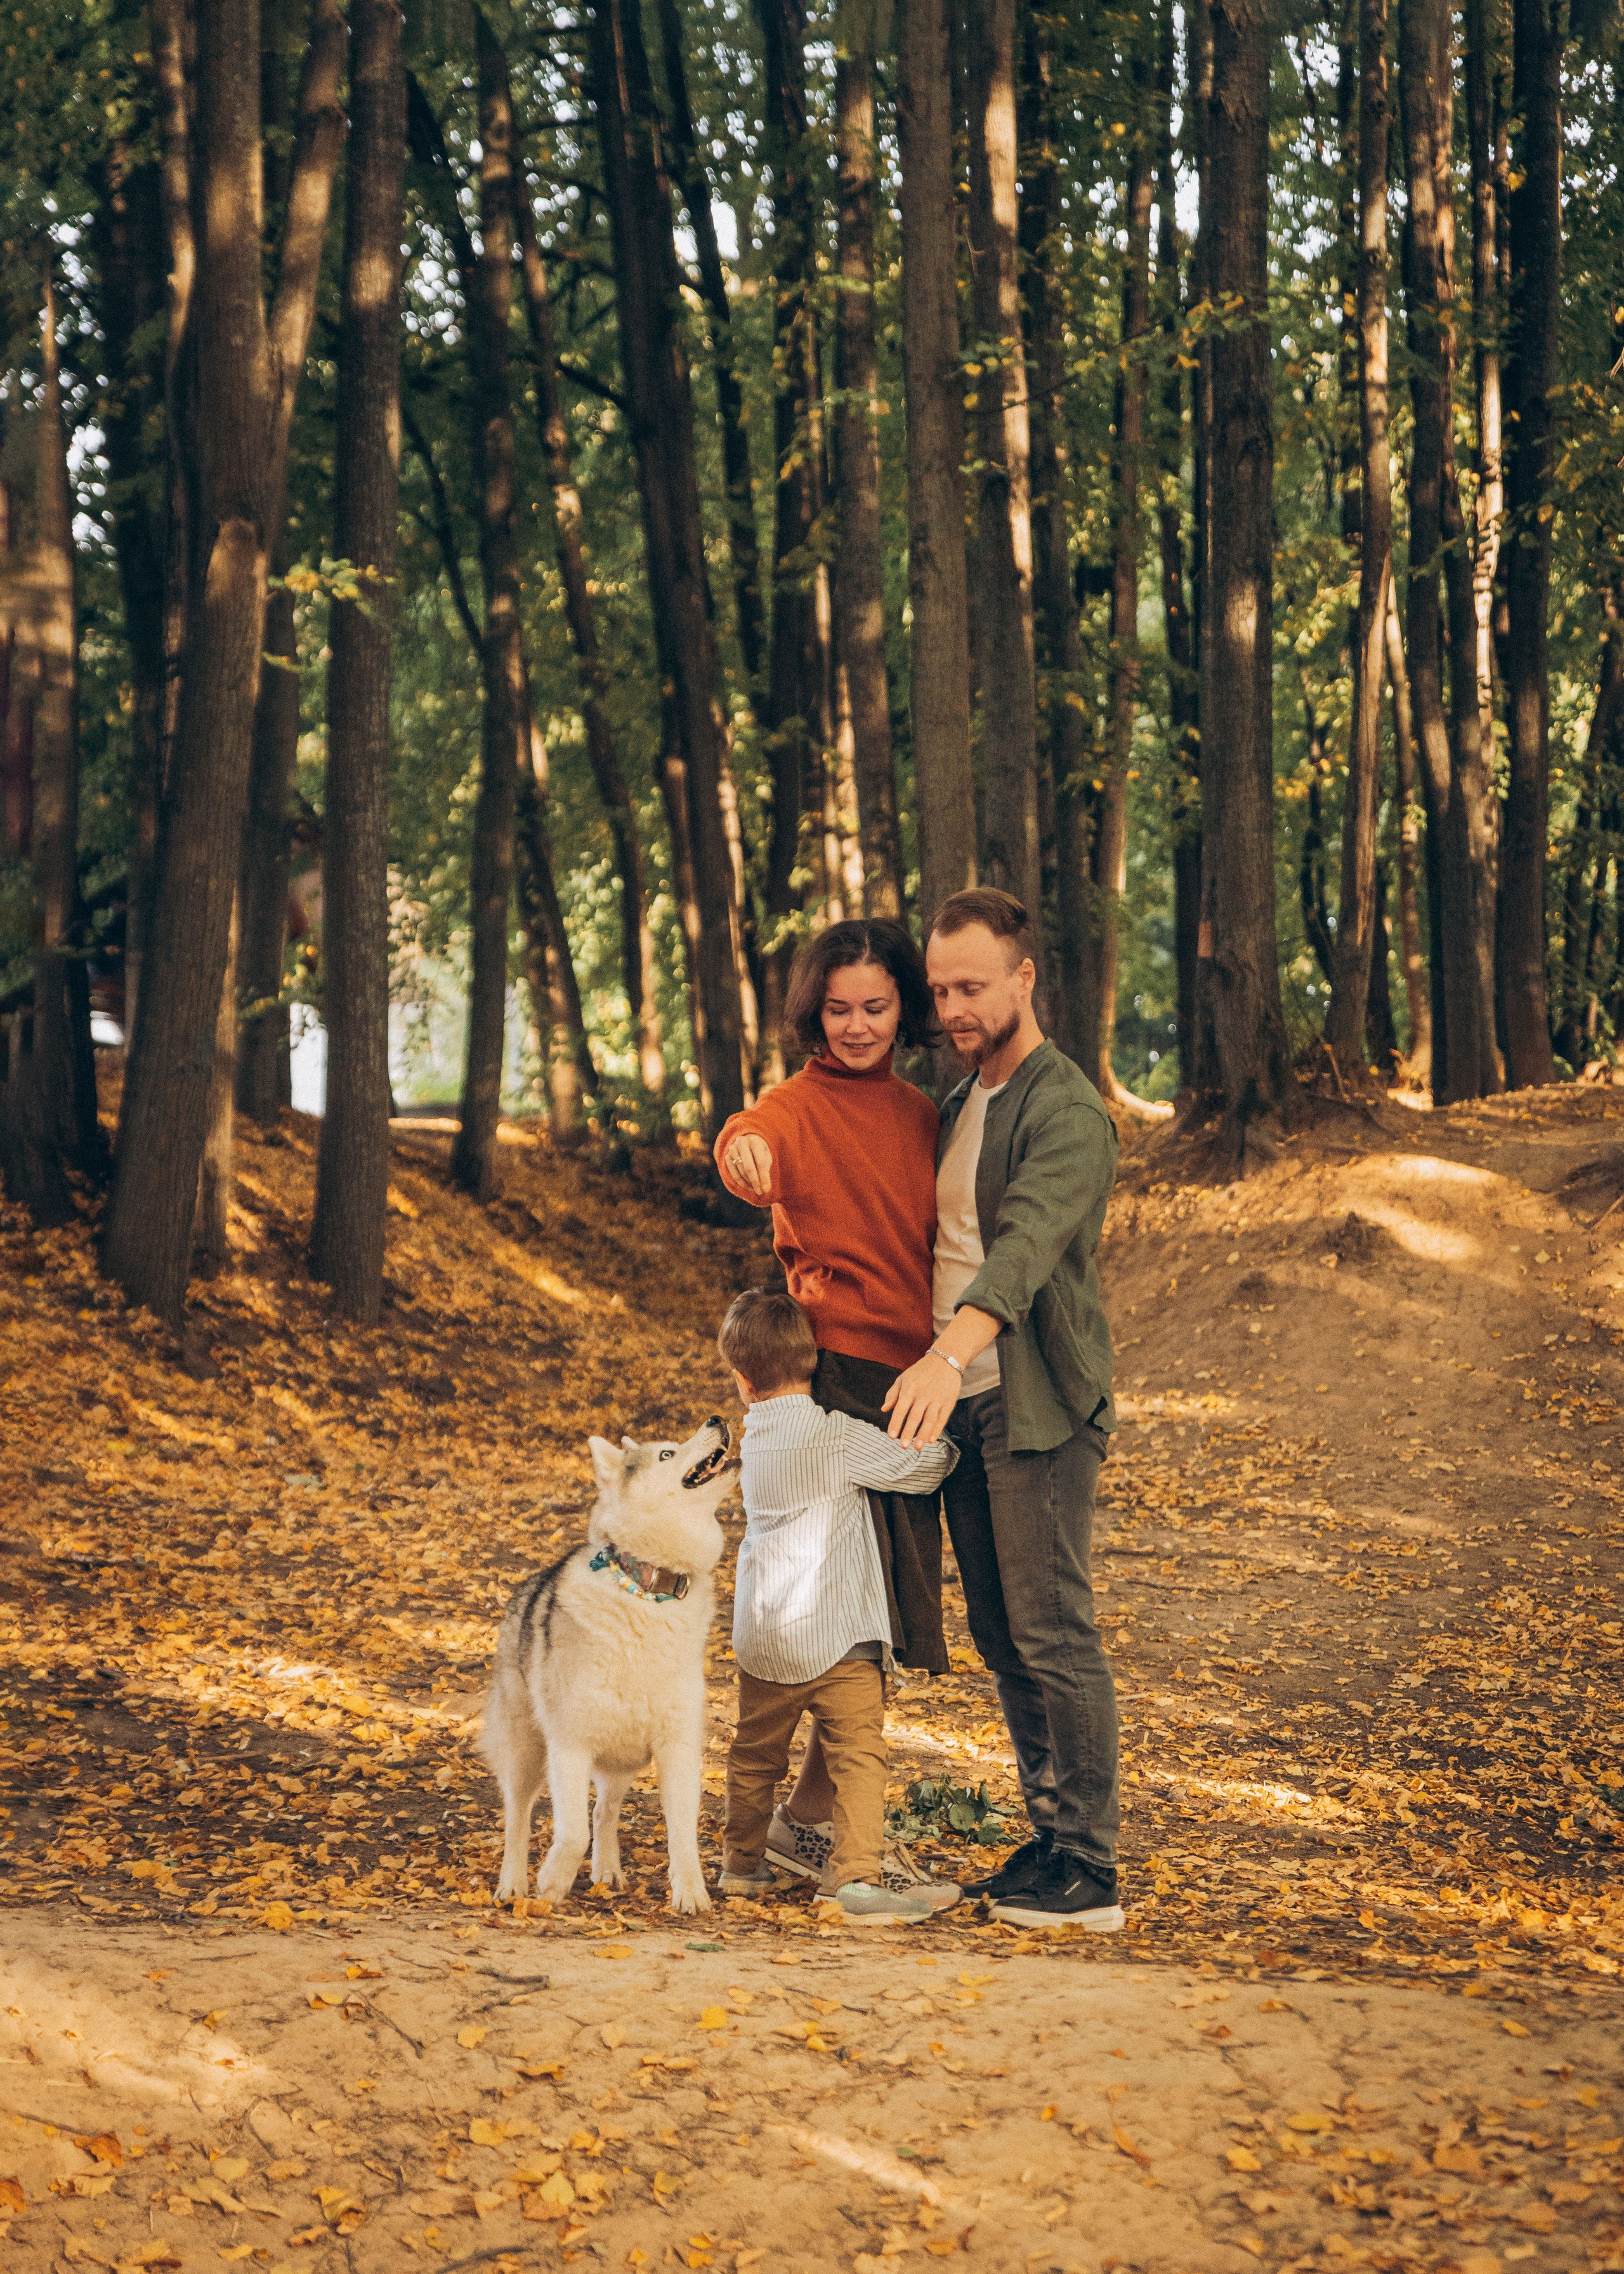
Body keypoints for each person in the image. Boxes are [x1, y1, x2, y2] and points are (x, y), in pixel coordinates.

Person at [884, 888, 1124, 1931]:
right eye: (940, 988)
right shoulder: (956, 1099)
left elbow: (1022, 1250)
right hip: (964, 1406)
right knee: (1000, 1630)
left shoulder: (1064, 1107)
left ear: (1025, 976)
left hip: (1034, 1403)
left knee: (1052, 1626)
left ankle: (1093, 1864)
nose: (952, 1006)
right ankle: (1050, 1836)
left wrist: (946, 1355)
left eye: (972, 985)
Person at [713, 919, 954, 1905]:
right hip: (844, 1374)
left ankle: (806, 1827)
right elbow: (748, 1136)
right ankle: (821, 1834)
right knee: (860, 1621)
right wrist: (746, 1159)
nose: (857, 1026)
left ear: (906, 1007)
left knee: (878, 1619)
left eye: (877, 1007)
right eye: (838, 1009)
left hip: (921, 1369)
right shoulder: (798, 1108)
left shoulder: (922, 1112)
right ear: (813, 1012)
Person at [714, 1288, 957, 1925]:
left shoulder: (754, 1442)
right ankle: (851, 1876)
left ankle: (740, 1864)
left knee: (755, 1754)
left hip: (764, 1635)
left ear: (742, 1380)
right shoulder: (835, 1436)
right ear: (815, 1364)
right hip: (836, 1632)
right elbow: (922, 1467)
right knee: (859, 1754)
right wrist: (949, 1445)